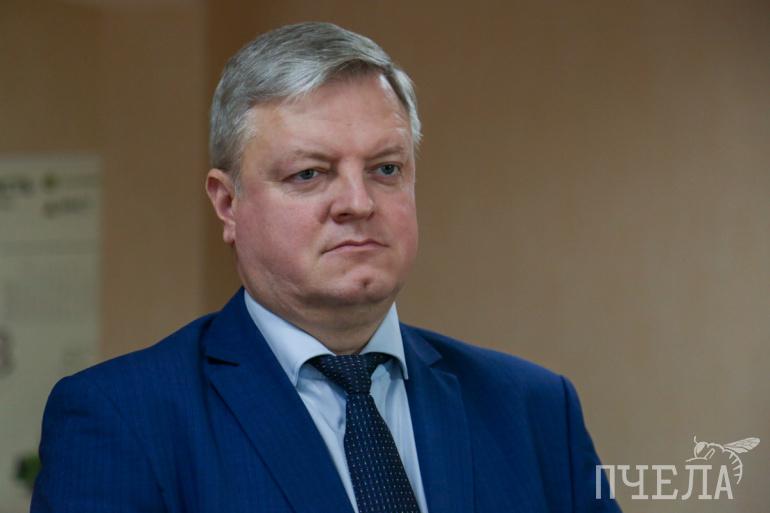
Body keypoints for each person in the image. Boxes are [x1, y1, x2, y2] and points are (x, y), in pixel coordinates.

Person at [31, 22, 620, 513]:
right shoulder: (122, 417)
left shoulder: (533, 409)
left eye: (386, 169)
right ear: (228, 204)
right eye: (309, 174)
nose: (358, 203)